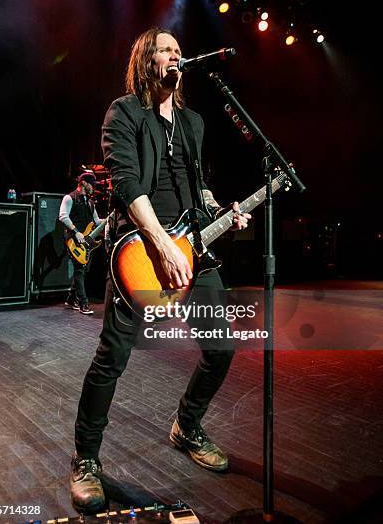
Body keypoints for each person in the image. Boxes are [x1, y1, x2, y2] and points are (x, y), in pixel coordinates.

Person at [70, 27, 251, 512]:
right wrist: (160, 244)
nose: (176, 56)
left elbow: (198, 186)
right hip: (142, 250)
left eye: (178, 50)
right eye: (166, 50)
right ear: (146, 61)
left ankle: (187, 426)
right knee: (112, 359)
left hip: (193, 249)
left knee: (222, 348)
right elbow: (127, 183)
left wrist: (221, 211)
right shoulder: (125, 112)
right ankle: (86, 459)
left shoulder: (193, 122)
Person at [59, 172, 102, 315]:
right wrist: (76, 231)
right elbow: (63, 216)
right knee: (79, 270)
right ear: (83, 183)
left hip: (86, 243)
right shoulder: (69, 198)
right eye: (91, 185)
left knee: (83, 271)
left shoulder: (90, 203)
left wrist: (110, 218)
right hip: (73, 240)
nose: (93, 188)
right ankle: (84, 303)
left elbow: (97, 221)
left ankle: (71, 299)